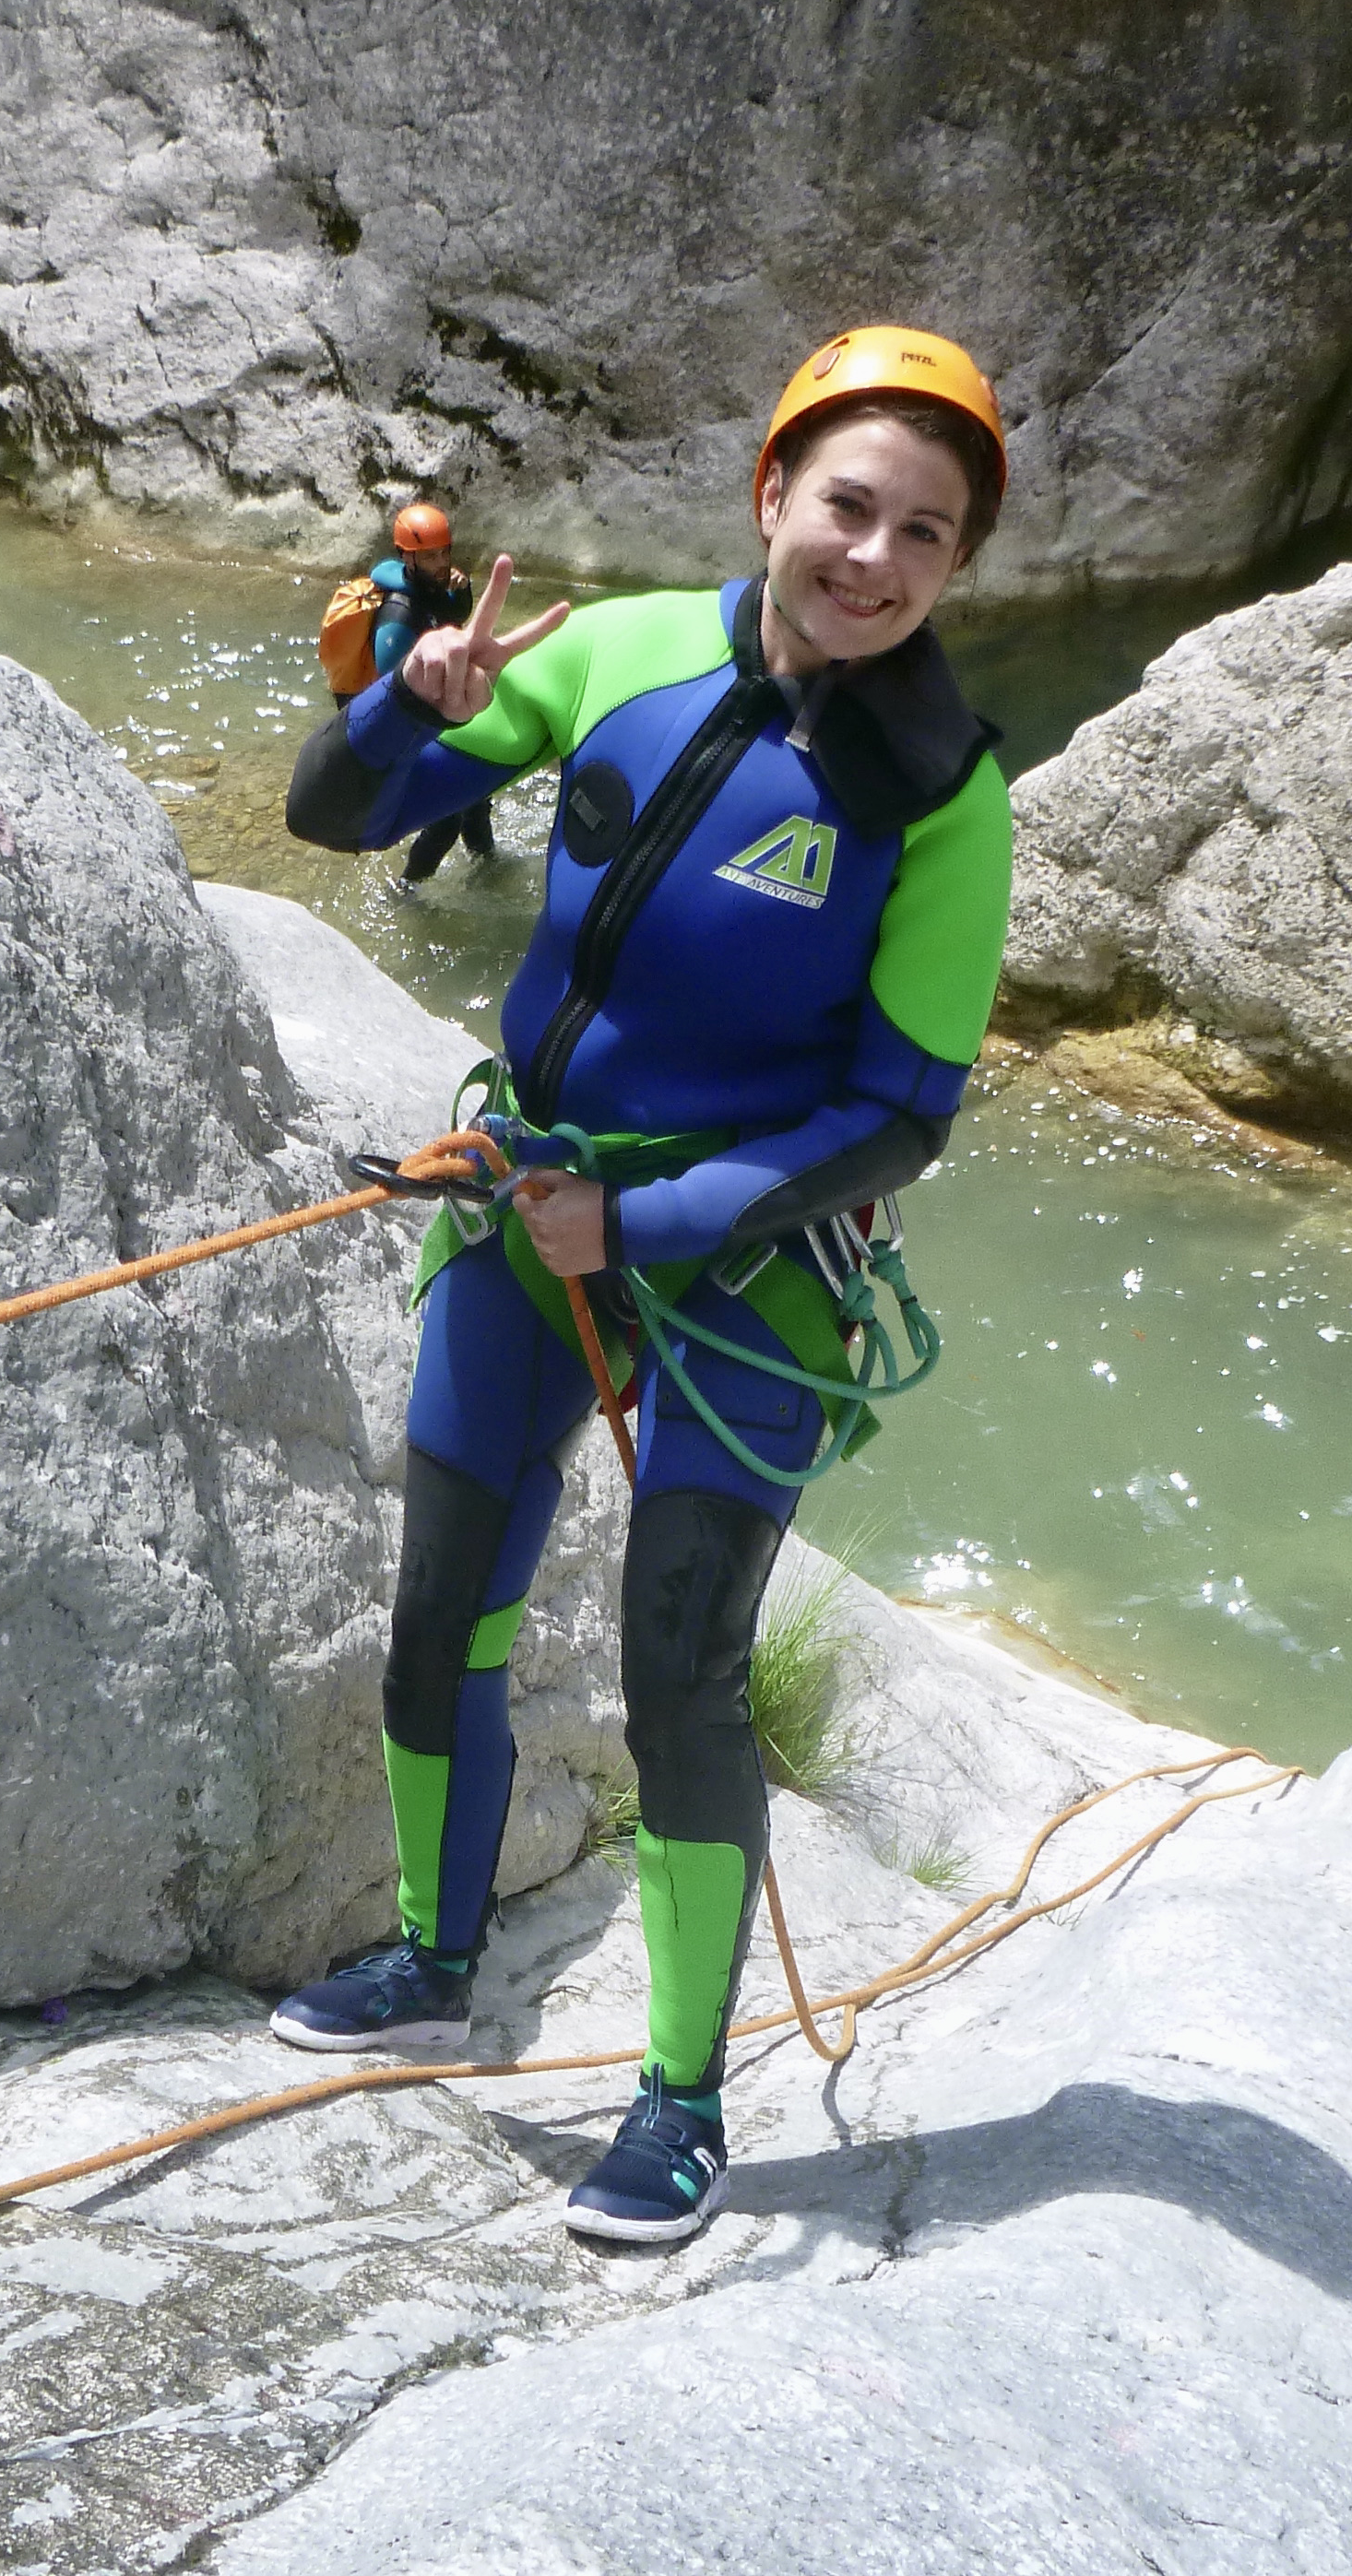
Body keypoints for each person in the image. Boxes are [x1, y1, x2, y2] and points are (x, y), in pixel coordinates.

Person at [275, 327, 1015, 2243]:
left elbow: (901, 1112)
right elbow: (325, 820)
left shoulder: (943, 791)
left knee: (683, 1670)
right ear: (773, 494)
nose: (875, 558)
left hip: (746, 1262)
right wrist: (399, 703)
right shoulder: (605, 653)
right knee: (444, 1598)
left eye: (925, 534)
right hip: (525, 1200)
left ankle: (679, 2102)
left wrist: (661, 1229)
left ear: (955, 567)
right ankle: (435, 1961)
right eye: (848, 504)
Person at [364, 502, 496, 884]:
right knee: (447, 819)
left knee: (478, 796)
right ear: (407, 557)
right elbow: (393, 683)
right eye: (429, 556)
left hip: (442, 717)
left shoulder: (435, 588)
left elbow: (454, 620)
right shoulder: (398, 614)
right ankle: (405, 888)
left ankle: (488, 865)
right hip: (415, 727)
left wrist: (462, 589)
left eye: (444, 552)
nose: (441, 562)